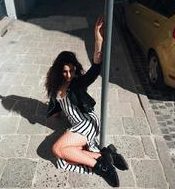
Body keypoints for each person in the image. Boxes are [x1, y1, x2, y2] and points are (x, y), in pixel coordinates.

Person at [45, 17, 128, 187]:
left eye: (72, 70)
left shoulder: (77, 83)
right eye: (65, 71)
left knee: (56, 149)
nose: (69, 75)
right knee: (63, 158)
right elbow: (56, 110)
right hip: (77, 127)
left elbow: (95, 68)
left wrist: (98, 40)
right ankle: (106, 155)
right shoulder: (55, 89)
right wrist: (56, 114)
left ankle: (102, 167)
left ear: (75, 69)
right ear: (59, 71)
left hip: (87, 122)